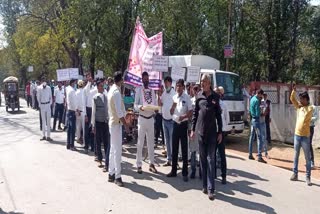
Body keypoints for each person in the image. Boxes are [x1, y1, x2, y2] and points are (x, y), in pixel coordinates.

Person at [191, 74, 222, 201]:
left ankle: (211, 189)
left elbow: (219, 116)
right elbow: (195, 114)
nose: (202, 84)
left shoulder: (216, 97)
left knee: (211, 160)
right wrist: (193, 130)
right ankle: (204, 185)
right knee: (203, 161)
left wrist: (220, 132)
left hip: (212, 134)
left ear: (209, 83)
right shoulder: (199, 96)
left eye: (204, 82)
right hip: (200, 134)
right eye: (201, 81)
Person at [167, 79, 193, 182]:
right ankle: (173, 171)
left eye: (180, 86)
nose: (178, 88)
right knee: (174, 148)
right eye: (177, 86)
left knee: (184, 149)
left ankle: (185, 173)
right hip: (175, 124)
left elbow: (191, 112)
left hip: (183, 124)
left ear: (183, 87)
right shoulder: (174, 97)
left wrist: (184, 116)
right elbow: (170, 112)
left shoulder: (187, 98)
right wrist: (172, 108)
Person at [107, 72, 129, 187]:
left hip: (113, 123)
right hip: (116, 124)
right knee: (117, 151)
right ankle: (117, 176)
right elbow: (120, 113)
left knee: (113, 149)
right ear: (120, 80)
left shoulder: (112, 90)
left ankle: (111, 173)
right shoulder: (116, 92)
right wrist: (126, 125)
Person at [134, 71, 158, 174]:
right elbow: (135, 105)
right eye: (144, 79)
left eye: (147, 79)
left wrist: (156, 109)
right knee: (140, 143)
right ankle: (139, 165)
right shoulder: (139, 90)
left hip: (151, 119)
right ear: (142, 79)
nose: (146, 80)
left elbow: (155, 104)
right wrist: (140, 107)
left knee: (151, 143)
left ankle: (151, 164)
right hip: (142, 118)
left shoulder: (152, 91)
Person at [290, 85, 314, 186]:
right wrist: (293, 92)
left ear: (306, 99)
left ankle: (308, 177)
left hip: (305, 136)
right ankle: (295, 174)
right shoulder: (300, 107)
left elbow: (306, 115)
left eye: (301, 99)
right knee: (295, 156)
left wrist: (302, 106)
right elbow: (292, 99)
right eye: (299, 99)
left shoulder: (310, 108)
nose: (299, 101)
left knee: (307, 158)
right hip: (297, 135)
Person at [91, 79, 110, 172]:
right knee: (98, 141)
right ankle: (99, 159)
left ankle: (107, 159)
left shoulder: (106, 97)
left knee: (106, 141)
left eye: (103, 86)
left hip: (105, 122)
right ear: (98, 87)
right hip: (98, 122)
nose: (103, 87)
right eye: (101, 86)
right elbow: (93, 112)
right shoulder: (95, 97)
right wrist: (93, 124)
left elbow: (108, 110)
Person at [160, 76, 175, 166]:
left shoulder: (174, 93)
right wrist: (159, 95)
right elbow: (160, 104)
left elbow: (176, 105)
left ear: (170, 83)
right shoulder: (164, 93)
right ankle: (169, 159)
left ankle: (174, 160)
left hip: (172, 121)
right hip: (164, 120)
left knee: (172, 142)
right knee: (167, 141)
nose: (165, 85)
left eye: (166, 83)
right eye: (164, 83)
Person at [248, 89, 267, 163]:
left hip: (253, 120)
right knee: (259, 138)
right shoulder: (257, 101)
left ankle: (250, 153)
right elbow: (257, 112)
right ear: (259, 94)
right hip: (256, 120)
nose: (261, 96)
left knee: (251, 137)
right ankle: (259, 156)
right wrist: (261, 113)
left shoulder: (252, 98)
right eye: (261, 95)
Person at [214, 86, 228, 184]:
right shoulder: (211, 104)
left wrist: (222, 132)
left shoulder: (223, 105)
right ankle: (213, 174)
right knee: (212, 154)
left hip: (221, 132)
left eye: (218, 93)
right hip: (212, 132)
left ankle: (223, 176)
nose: (217, 94)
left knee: (222, 155)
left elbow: (226, 119)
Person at [189, 84, 201, 179]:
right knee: (193, 150)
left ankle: (201, 171)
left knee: (201, 151)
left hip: (201, 129)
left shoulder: (203, 101)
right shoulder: (191, 101)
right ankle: (193, 170)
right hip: (193, 129)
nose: (196, 91)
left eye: (198, 89)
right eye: (195, 90)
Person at [83, 73, 97, 153]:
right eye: (88, 77)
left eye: (91, 77)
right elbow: (84, 102)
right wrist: (85, 115)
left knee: (93, 129)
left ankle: (92, 146)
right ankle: (86, 146)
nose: (90, 78)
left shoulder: (95, 88)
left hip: (93, 110)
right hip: (87, 110)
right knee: (87, 129)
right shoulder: (85, 89)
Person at [66, 79, 78, 150]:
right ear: (72, 83)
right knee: (72, 129)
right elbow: (74, 102)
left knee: (69, 129)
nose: (75, 84)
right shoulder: (72, 91)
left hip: (69, 110)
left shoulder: (68, 89)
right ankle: (72, 145)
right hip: (72, 111)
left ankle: (68, 144)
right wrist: (76, 110)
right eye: (74, 83)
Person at [76, 80, 86, 145]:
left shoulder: (76, 92)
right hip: (84, 111)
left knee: (78, 127)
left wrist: (77, 110)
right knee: (84, 127)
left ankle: (78, 138)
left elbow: (76, 102)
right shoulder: (84, 92)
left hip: (78, 111)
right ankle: (84, 141)